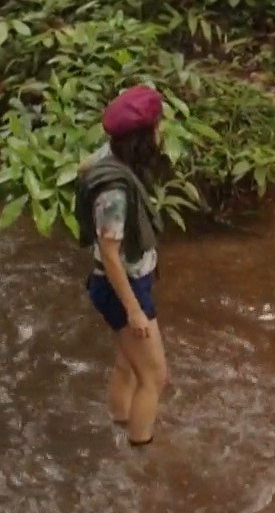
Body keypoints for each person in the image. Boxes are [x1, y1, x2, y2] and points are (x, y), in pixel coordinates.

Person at [80, 84, 172, 447]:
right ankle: (141, 453)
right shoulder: (115, 192)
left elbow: (84, 166)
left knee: (127, 365)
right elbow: (110, 254)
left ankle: (118, 424)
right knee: (155, 378)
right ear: (142, 137)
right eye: (157, 126)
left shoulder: (110, 154)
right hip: (121, 287)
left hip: (126, 282)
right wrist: (134, 310)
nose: (161, 132)